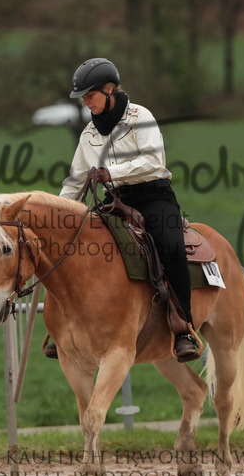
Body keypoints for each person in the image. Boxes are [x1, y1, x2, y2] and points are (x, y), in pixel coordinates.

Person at [48, 57, 199, 362]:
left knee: (171, 246)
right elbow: (76, 181)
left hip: (154, 196)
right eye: (83, 99)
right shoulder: (88, 134)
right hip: (115, 201)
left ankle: (184, 327)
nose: (86, 103)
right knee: (76, 247)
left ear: (109, 89)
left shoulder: (140, 116)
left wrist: (109, 172)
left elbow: (154, 162)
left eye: (90, 96)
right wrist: (56, 212)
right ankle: (61, 327)